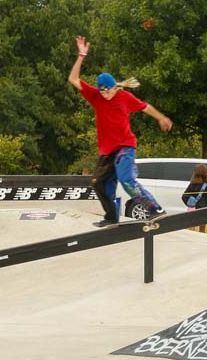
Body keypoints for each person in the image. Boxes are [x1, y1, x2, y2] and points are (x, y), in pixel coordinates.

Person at [68, 37, 172, 227]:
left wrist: (161, 117)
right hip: (107, 152)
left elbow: (146, 107)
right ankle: (111, 218)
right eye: (102, 93)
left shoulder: (125, 97)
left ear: (114, 87)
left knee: (126, 179)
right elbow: (73, 79)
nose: (105, 96)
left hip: (125, 147)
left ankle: (155, 209)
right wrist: (81, 55)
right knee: (98, 183)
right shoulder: (95, 96)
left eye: (107, 92)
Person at [182, 164, 207, 233]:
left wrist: (191, 203)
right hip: (203, 211)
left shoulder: (192, 185)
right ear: (206, 174)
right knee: (202, 230)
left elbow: (184, 196)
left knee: (191, 228)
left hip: (192, 209)